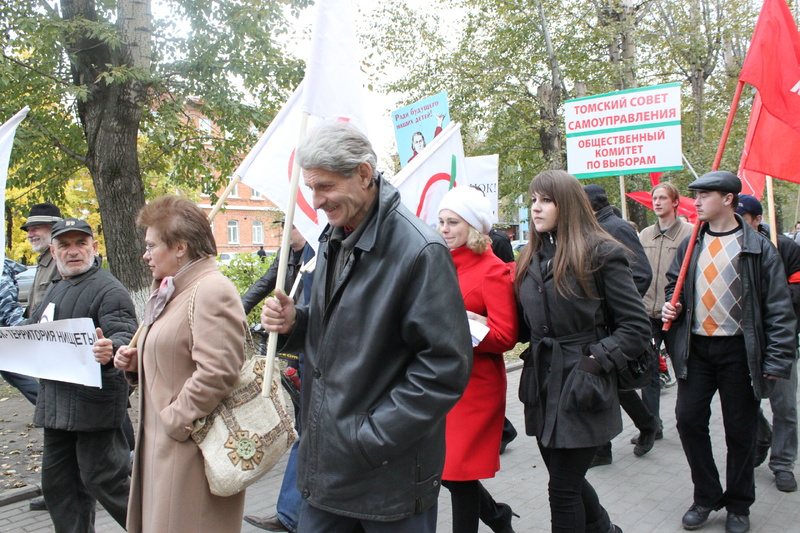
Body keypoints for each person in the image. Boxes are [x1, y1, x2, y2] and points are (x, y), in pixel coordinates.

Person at [261, 122, 472, 532]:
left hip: (386, 472)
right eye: (311, 189)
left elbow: (445, 367)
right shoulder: (333, 237)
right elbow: (331, 328)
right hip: (329, 464)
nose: (317, 201)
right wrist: (295, 324)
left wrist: (369, 438)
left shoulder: (420, 250)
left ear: (362, 174)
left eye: (324, 187)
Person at [516, 170, 650, 533]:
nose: (536, 208)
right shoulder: (531, 257)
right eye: (533, 200)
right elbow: (520, 326)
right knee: (569, 482)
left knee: (561, 490)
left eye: (546, 200)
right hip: (543, 385)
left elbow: (636, 328)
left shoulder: (602, 252)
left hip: (581, 383)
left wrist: (593, 363)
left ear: (568, 204)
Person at [662, 172, 796, 533]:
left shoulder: (758, 248)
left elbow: (779, 309)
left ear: (728, 199)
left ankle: (738, 504)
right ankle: (706, 495)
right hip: (696, 349)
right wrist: (671, 307)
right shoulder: (691, 244)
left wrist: (777, 361)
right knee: (689, 421)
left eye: (705, 195)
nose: (698, 201)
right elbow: (675, 287)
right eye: (697, 195)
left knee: (741, 431)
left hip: (740, 350)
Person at [114, 196, 248, 532]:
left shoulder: (211, 290)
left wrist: (176, 420)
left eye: (152, 245)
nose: (145, 255)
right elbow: (176, 353)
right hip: (166, 449)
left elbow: (218, 370)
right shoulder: (174, 290)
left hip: (189, 453)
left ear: (180, 248)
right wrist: (137, 363)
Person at [28, 218, 137, 532]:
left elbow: (124, 335)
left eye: (80, 243)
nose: (73, 251)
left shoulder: (108, 288)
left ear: (94, 247)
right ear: (54, 250)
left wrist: (110, 349)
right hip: (56, 408)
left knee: (107, 482)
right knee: (59, 487)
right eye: (65, 245)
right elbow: (35, 335)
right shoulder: (56, 290)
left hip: (94, 408)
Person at [437, 186, 518, 533]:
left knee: (459, 472)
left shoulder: (493, 270)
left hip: (475, 388)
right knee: (447, 473)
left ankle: (492, 520)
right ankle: (498, 517)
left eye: (452, 222)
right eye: (441, 221)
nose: (444, 229)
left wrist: (464, 324)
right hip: (439, 381)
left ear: (472, 226)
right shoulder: (438, 263)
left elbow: (505, 336)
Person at [243, 222, 315, 533]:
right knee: (306, 432)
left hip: (314, 350)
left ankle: (292, 514)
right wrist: (237, 310)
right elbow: (264, 283)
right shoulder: (286, 255)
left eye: (293, 225)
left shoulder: (320, 254)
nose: (286, 231)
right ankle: (293, 513)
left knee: (307, 433)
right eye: (283, 226)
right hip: (297, 349)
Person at [583, 184, 659, 464]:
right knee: (606, 382)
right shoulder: (593, 229)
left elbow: (641, 273)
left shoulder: (617, 228)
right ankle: (609, 445)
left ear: (590, 205)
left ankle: (646, 426)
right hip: (600, 322)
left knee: (610, 381)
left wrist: (620, 307)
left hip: (616, 323)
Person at [735, 194, 800, 493]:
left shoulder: (786, 248)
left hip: (779, 343)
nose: (737, 224)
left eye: (743, 218)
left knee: (784, 407)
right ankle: (762, 437)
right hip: (741, 345)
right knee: (743, 403)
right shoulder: (726, 245)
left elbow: (795, 294)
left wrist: (765, 293)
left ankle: (783, 463)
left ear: (758, 219)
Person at [637, 183, 694, 444]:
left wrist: (681, 304)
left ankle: (689, 423)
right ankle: (652, 426)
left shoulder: (690, 234)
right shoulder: (645, 235)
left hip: (677, 316)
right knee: (649, 373)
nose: (657, 202)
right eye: (654, 198)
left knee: (685, 370)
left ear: (675, 202)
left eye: (663, 198)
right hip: (648, 315)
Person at [0, 259, 38, 405]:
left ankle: (48, 408)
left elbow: (7, 303)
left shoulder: (2, 270)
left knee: (16, 373)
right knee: (15, 374)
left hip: (4, 331)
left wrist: (21, 330)